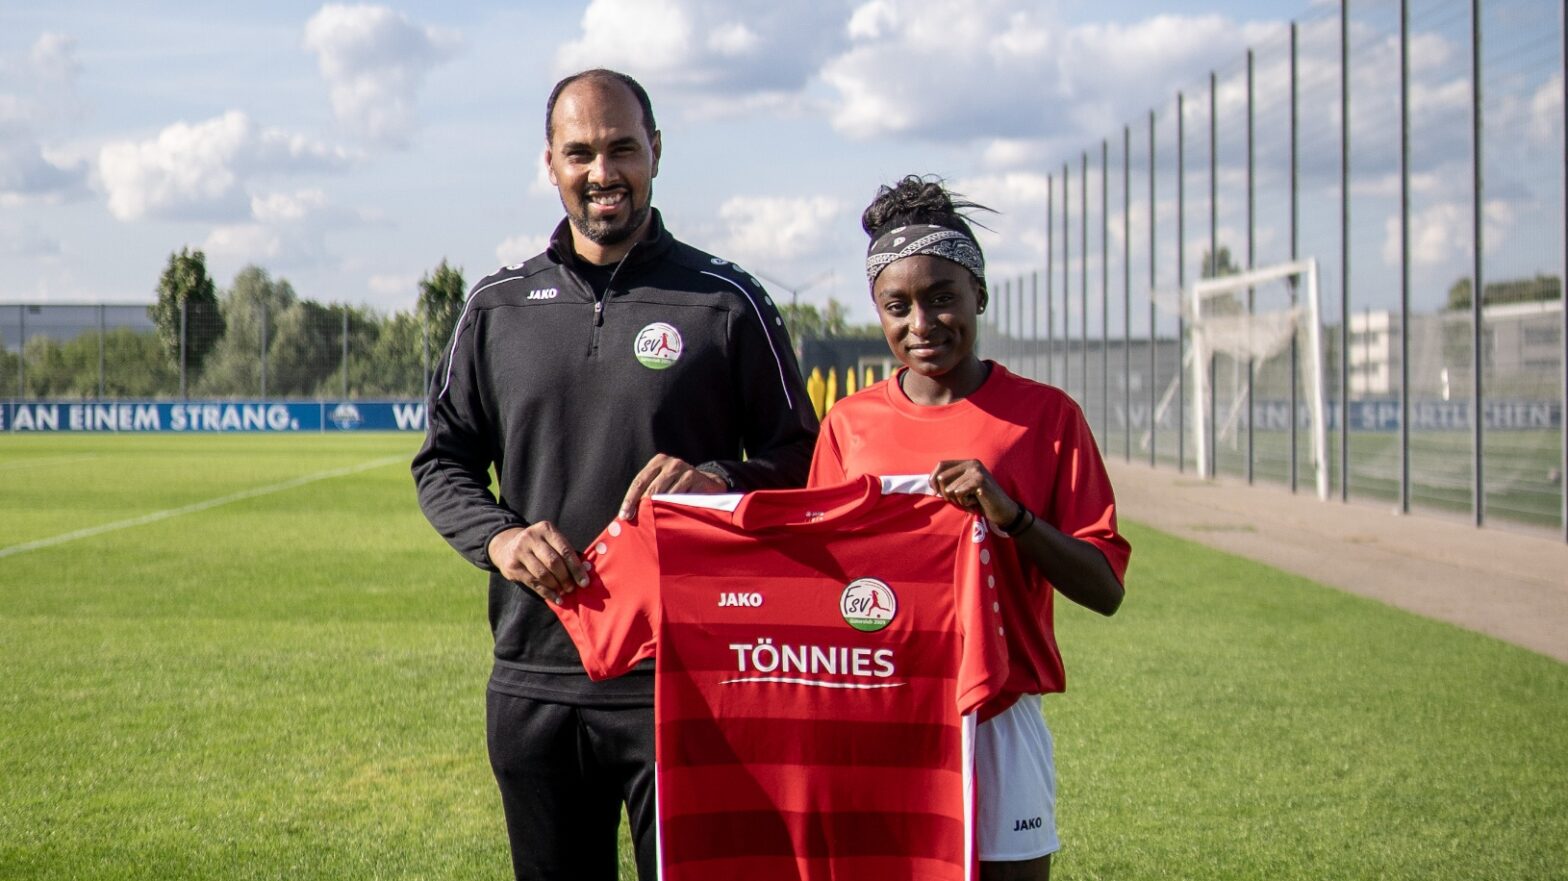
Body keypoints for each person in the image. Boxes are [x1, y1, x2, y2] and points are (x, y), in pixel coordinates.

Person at [412, 68, 818, 881]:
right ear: (551, 164)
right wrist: (499, 539)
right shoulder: (496, 306)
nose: (604, 172)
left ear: (657, 153)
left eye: (623, 148)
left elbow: (805, 461)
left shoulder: (726, 300)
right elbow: (443, 461)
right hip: (535, 672)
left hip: (690, 681)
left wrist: (721, 479)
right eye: (581, 153)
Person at [807, 175, 1132, 881]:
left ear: (979, 294)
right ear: (878, 310)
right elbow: (820, 589)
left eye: (942, 297)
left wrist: (1011, 516)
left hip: (1001, 714)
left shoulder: (1046, 418)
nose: (921, 324)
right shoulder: (850, 425)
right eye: (898, 305)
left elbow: (1105, 587)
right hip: (882, 715)